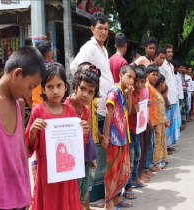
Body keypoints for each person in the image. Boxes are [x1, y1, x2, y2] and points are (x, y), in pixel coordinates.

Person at [0, 47, 45, 210]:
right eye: (30, 86)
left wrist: (25, 195)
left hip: (18, 201)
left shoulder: (19, 104)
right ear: (17, 73)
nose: (30, 93)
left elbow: (20, 153)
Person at [26, 62, 89, 210]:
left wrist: (83, 132)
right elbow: (30, 146)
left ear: (65, 87)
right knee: (50, 202)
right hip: (47, 172)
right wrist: (31, 131)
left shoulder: (70, 111)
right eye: (50, 86)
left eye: (59, 85)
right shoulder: (38, 111)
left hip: (67, 171)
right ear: (42, 88)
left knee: (66, 201)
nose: (55, 91)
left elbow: (76, 146)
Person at [70, 12, 114, 202]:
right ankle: (95, 197)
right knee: (97, 151)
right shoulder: (89, 47)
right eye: (100, 28)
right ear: (92, 29)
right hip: (96, 106)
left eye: (106, 29)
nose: (103, 32)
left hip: (105, 105)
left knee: (101, 150)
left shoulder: (103, 49)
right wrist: (90, 84)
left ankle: (97, 195)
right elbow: (75, 67)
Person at [100, 65, 135, 209]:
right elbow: (109, 112)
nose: (131, 80)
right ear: (120, 75)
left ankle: (115, 198)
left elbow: (130, 110)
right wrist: (106, 136)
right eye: (129, 77)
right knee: (111, 171)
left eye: (133, 78)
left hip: (122, 137)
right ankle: (108, 203)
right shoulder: (114, 91)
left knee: (119, 170)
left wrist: (130, 94)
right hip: (114, 138)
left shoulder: (123, 92)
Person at [67, 64, 100, 209]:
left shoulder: (85, 109)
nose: (86, 95)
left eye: (91, 92)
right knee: (71, 191)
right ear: (75, 87)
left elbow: (86, 136)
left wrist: (91, 156)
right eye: (82, 89)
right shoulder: (65, 106)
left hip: (83, 156)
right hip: (69, 159)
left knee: (83, 189)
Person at [124, 67, 148, 200]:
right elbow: (125, 112)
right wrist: (133, 110)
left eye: (142, 81)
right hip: (129, 131)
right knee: (130, 158)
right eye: (136, 81)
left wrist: (146, 105)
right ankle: (128, 187)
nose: (138, 84)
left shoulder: (140, 94)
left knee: (136, 155)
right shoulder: (129, 93)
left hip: (137, 130)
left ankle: (134, 179)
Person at [159, 45, 181, 148]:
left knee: (171, 123)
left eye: (171, 51)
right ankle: (165, 148)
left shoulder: (171, 66)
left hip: (173, 98)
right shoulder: (162, 66)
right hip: (166, 99)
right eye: (168, 51)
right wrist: (166, 98)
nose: (170, 53)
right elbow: (162, 84)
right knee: (166, 123)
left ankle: (168, 146)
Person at [25, 40, 53, 108]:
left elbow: (27, 94)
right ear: (49, 54)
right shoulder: (54, 69)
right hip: (51, 110)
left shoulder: (30, 71)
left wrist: (33, 108)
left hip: (36, 108)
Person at [144, 64, 159, 177]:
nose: (155, 77)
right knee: (148, 145)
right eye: (153, 74)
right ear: (147, 75)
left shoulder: (153, 88)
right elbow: (146, 106)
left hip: (153, 121)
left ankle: (150, 164)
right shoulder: (147, 87)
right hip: (148, 122)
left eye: (156, 75)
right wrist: (149, 121)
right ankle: (146, 168)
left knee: (152, 144)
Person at [153, 74, 169, 170]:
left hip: (161, 121)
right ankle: (156, 161)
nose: (165, 85)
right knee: (157, 141)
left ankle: (162, 158)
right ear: (161, 84)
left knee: (162, 140)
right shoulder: (155, 94)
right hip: (157, 121)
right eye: (164, 83)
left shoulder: (159, 94)